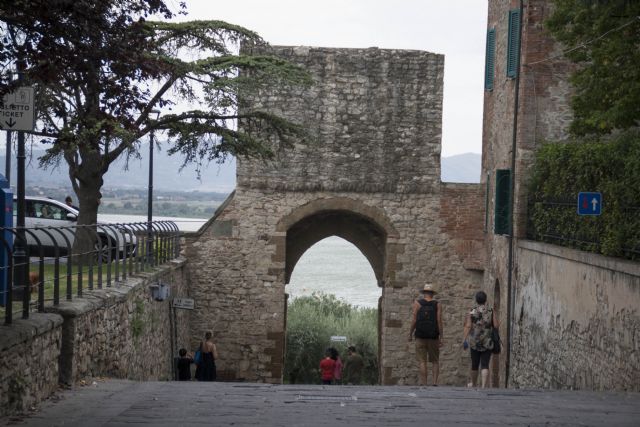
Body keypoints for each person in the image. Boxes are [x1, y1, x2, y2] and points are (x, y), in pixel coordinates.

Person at [463, 290, 499, 388]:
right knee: (485, 364)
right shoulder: (490, 310)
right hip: (487, 341)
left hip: (474, 341)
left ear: (476, 300)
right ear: (485, 300)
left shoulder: (472, 310)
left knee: (475, 365)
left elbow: (468, 326)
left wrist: (465, 339)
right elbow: (496, 325)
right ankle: (483, 386)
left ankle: (474, 384)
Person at [409, 283, 443, 386]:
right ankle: (435, 382)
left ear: (424, 293)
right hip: (433, 336)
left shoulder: (417, 303)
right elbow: (439, 321)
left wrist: (410, 333)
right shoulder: (437, 304)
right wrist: (442, 336)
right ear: (432, 294)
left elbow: (414, 320)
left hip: (420, 336)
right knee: (435, 361)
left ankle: (424, 383)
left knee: (422, 361)